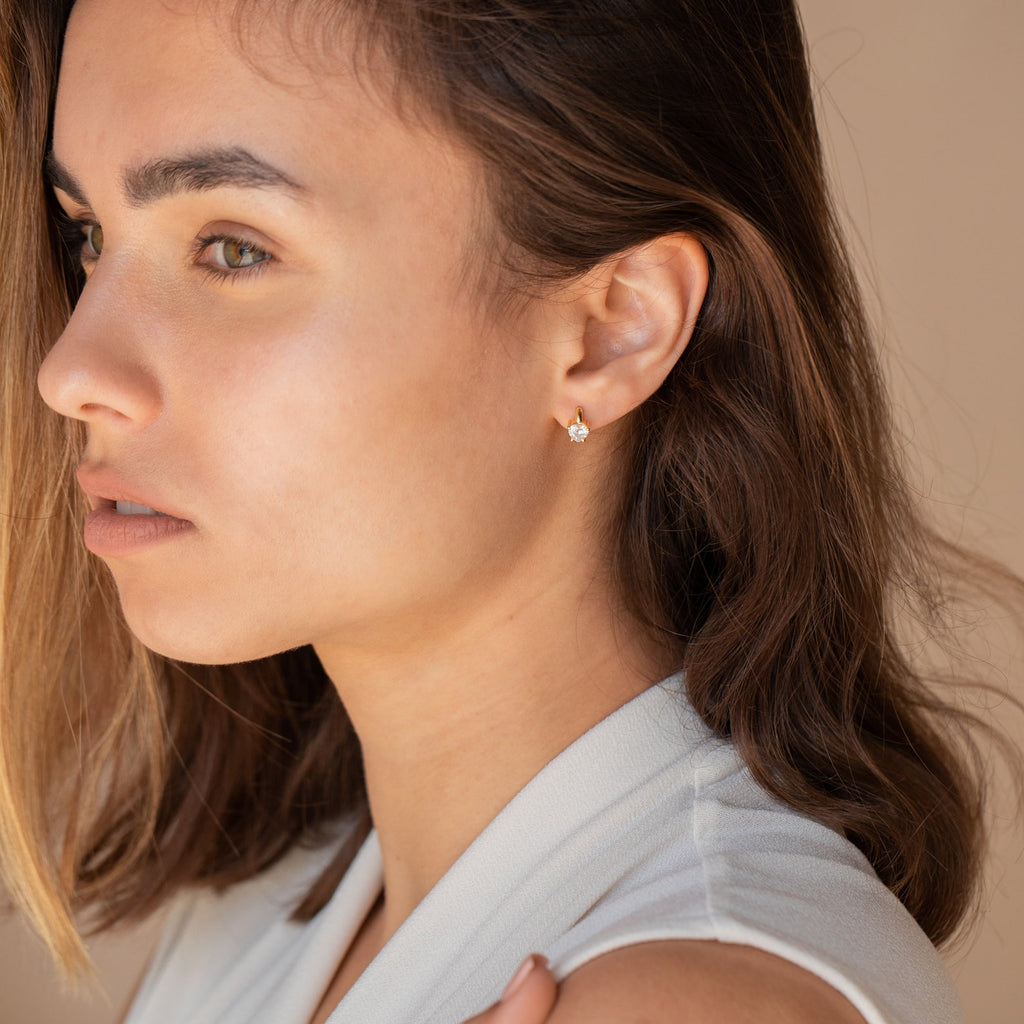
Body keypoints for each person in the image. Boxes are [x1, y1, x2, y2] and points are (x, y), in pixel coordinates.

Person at [0, 0, 1017, 1021]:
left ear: (612, 330)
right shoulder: (272, 905)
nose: (74, 369)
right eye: (87, 234)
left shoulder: (691, 1001)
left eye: (232, 248)